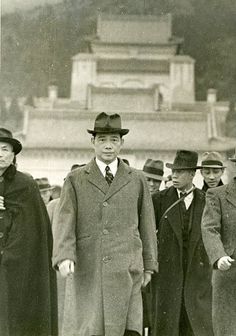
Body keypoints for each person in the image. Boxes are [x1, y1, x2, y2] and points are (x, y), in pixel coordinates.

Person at [52, 112, 158, 336]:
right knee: (89, 328)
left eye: (114, 140)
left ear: (122, 143)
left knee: (126, 328)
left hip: (126, 268)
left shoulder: (137, 179)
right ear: (93, 142)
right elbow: (65, 222)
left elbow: (147, 225)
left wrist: (149, 265)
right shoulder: (75, 178)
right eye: (102, 140)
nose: (108, 146)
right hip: (88, 268)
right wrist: (64, 256)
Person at [0, 128, 57, 336]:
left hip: (17, 266)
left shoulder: (25, 185)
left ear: (13, 155)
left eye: (5, 149)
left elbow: (31, 229)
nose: (0, 154)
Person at [152, 150, 213, 336]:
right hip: (168, 275)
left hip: (197, 274)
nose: (175, 175)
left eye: (180, 172)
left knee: (195, 323)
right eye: (173, 171)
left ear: (192, 174)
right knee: (169, 324)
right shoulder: (159, 200)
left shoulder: (207, 201)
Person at [201, 151, 236, 336]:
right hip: (228, 269)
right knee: (226, 327)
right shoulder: (217, 194)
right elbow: (209, 228)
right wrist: (219, 255)